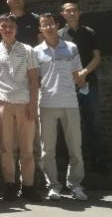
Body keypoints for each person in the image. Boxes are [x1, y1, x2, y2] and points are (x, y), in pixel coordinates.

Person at [0, 14, 41, 202]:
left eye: (11, 26)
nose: (7, 29)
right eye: (4, 26)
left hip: (24, 102)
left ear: (16, 29)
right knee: (6, 148)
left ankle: (28, 186)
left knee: (27, 148)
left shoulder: (28, 50)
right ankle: (10, 184)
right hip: (2, 102)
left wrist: (33, 104)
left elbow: (34, 80)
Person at [35, 13, 87, 201]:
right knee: (47, 150)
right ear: (40, 29)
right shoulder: (36, 52)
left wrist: (83, 84)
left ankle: (76, 185)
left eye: (51, 24)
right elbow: (36, 80)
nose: (48, 27)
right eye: (44, 25)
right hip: (46, 104)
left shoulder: (71, 47)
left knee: (75, 148)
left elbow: (77, 74)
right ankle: (53, 186)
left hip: (70, 103)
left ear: (57, 25)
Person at [59, 0, 107, 174]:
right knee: (68, 125)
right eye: (68, 11)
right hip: (67, 86)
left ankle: (97, 160)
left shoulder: (89, 32)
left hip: (88, 83)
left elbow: (97, 57)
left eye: (74, 10)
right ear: (63, 14)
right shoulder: (59, 35)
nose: (72, 13)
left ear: (79, 13)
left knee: (93, 122)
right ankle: (70, 162)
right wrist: (74, 76)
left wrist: (83, 73)